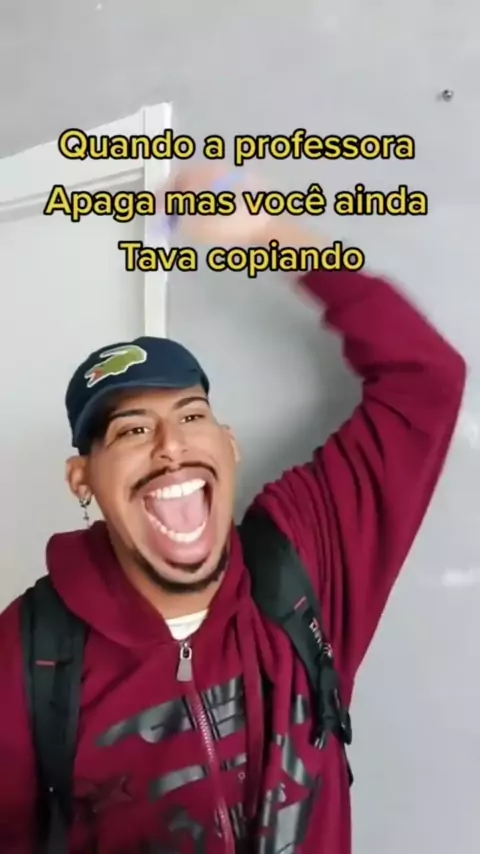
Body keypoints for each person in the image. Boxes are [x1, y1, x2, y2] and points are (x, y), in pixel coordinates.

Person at [0, 169, 466, 854]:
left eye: (192, 415)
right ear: (83, 480)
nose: (171, 446)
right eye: (132, 430)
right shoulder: (28, 652)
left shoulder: (304, 559)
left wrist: (272, 234)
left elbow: (427, 378)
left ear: (230, 445)